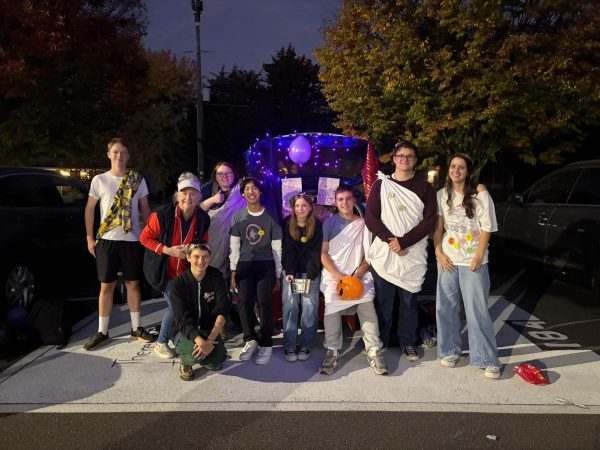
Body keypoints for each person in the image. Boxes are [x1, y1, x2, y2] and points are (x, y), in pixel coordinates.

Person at [365, 140, 436, 361]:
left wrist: (404, 242)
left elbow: (430, 221)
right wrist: (390, 240)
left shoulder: (425, 187)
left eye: (409, 156)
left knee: (409, 303)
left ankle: (408, 342)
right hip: (386, 253)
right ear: (394, 159)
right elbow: (371, 218)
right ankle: (382, 341)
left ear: (415, 161)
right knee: (384, 302)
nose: (405, 159)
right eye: (401, 155)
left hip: (412, 254)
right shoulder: (381, 185)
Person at [433, 154, 501, 379]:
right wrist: (438, 252)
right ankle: (450, 350)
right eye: (452, 166)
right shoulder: (442, 195)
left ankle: (486, 358)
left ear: (468, 171)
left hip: (473, 262)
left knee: (476, 311)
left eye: (461, 167)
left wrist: (479, 255)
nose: (456, 170)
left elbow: (487, 227)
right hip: (448, 260)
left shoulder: (480, 193)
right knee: (446, 308)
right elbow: (438, 229)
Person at [83, 137, 153, 350]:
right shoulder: (99, 180)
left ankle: (136, 327)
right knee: (107, 286)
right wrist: (89, 237)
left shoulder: (137, 179)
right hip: (107, 239)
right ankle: (102, 331)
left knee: (133, 284)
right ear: (109, 154)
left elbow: (145, 210)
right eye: (115, 152)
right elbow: (89, 209)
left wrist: (150, 235)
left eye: (123, 152)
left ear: (128, 155)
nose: (119, 156)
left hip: (132, 240)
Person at [140, 172, 210, 359]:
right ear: (177, 195)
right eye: (184, 192)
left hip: (185, 271)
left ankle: (176, 336)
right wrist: (168, 250)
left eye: (193, 193)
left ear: (199, 196)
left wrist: (195, 250)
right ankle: (162, 341)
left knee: (182, 306)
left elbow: (203, 242)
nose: (188, 197)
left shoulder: (202, 218)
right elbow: (144, 238)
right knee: (178, 307)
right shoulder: (162, 214)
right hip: (163, 270)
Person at [319, 186, 387, 376]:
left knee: (366, 305)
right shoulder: (328, 224)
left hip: (359, 274)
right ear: (335, 201)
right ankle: (332, 350)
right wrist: (337, 275)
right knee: (331, 306)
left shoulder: (365, 224)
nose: (345, 203)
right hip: (335, 275)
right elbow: (324, 254)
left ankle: (373, 349)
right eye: (340, 199)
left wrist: (357, 275)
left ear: (353, 200)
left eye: (348, 199)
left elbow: (368, 255)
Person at [230, 177, 282, 365]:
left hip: (266, 263)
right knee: (244, 301)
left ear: (260, 192)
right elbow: (234, 246)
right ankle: (250, 339)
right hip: (244, 264)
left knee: (265, 301)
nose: (251, 191)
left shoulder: (271, 217)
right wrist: (233, 270)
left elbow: (277, 248)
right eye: (247, 189)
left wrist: (277, 273)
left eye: (255, 188)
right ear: (242, 194)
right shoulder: (238, 217)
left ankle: (266, 342)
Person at [170, 241, 229, 380]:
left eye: (205, 256)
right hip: (185, 331)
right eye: (196, 256)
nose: (201, 261)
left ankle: (210, 356)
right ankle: (185, 362)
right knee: (193, 356)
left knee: (215, 363)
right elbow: (182, 318)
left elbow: (223, 308)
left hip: (208, 330)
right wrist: (201, 343)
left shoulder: (216, 276)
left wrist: (210, 340)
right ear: (188, 257)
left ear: (210, 257)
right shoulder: (178, 284)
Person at [281, 193, 323, 362]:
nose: (300, 209)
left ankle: (306, 344)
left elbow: (316, 252)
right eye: (297, 206)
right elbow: (287, 249)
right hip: (292, 271)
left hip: (309, 272)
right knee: (290, 305)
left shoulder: (317, 225)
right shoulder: (286, 223)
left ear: (310, 207)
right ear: (293, 208)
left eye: (304, 206)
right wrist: (289, 271)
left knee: (309, 306)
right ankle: (289, 344)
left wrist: (312, 275)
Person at [200, 162, 246, 277]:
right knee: (212, 269)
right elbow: (195, 210)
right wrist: (212, 200)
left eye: (228, 173)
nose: (224, 176)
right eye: (220, 174)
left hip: (235, 239)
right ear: (215, 176)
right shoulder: (208, 188)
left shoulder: (241, 188)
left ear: (234, 175)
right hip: (213, 238)